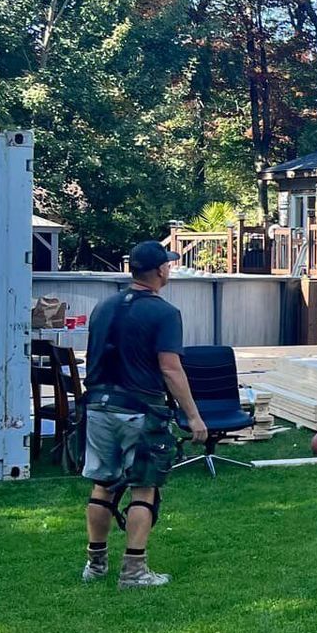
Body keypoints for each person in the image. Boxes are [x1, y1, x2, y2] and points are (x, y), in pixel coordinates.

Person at [79, 240, 205, 588]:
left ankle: (95, 564)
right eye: (168, 264)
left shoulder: (103, 307)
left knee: (102, 485)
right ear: (161, 270)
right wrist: (193, 416)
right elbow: (171, 369)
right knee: (143, 489)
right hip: (140, 411)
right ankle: (134, 570)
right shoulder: (165, 313)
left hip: (99, 406)